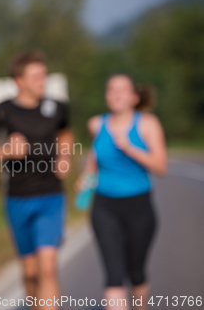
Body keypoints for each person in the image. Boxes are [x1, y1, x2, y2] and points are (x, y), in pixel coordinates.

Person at [0, 51, 73, 310]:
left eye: (43, 75)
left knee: (48, 268)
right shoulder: (2, 111)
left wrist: (65, 156)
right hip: (17, 197)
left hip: (51, 195)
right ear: (19, 80)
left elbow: (65, 135)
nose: (42, 80)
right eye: (36, 76)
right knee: (31, 272)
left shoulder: (57, 107)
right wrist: (6, 151)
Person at [76, 74, 167, 310]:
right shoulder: (96, 124)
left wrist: (130, 148)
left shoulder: (148, 124)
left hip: (139, 207)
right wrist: (85, 179)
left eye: (122, 89)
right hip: (104, 206)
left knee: (136, 273)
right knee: (113, 275)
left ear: (134, 97)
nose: (115, 94)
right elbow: (93, 162)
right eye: (111, 89)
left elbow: (160, 167)